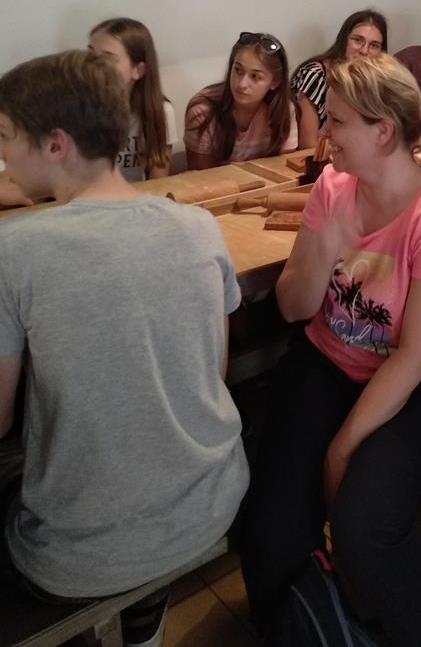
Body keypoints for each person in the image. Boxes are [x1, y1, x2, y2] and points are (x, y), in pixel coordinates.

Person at [0, 50, 248, 646]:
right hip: (212, 501)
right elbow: (212, 374)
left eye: (5, 137)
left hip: (79, 555)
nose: (2, 155)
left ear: (55, 144)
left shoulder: (16, 251)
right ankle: (143, 619)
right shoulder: (198, 225)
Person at [241, 54, 421, 647]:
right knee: (270, 532)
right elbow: (294, 308)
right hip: (327, 361)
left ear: (384, 132)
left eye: (338, 120)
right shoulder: (333, 184)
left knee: (363, 526)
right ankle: (300, 628)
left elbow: (415, 355)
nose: (325, 131)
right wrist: (325, 247)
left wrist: (342, 447)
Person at [184, 31, 300, 169]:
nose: (242, 84)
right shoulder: (203, 111)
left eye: (255, 76)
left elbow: (285, 170)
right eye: (238, 70)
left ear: (275, 81)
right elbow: (200, 177)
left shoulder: (284, 110)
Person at [88, 17, 178, 180]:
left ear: (138, 70)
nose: (92, 66)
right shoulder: (79, 109)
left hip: (138, 193)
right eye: (90, 54)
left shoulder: (160, 112)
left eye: (107, 59)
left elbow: (159, 180)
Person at [290, 9, 388, 147]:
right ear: (344, 40)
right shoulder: (315, 74)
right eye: (358, 40)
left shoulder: (378, 81)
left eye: (374, 45)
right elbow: (308, 145)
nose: (364, 51)